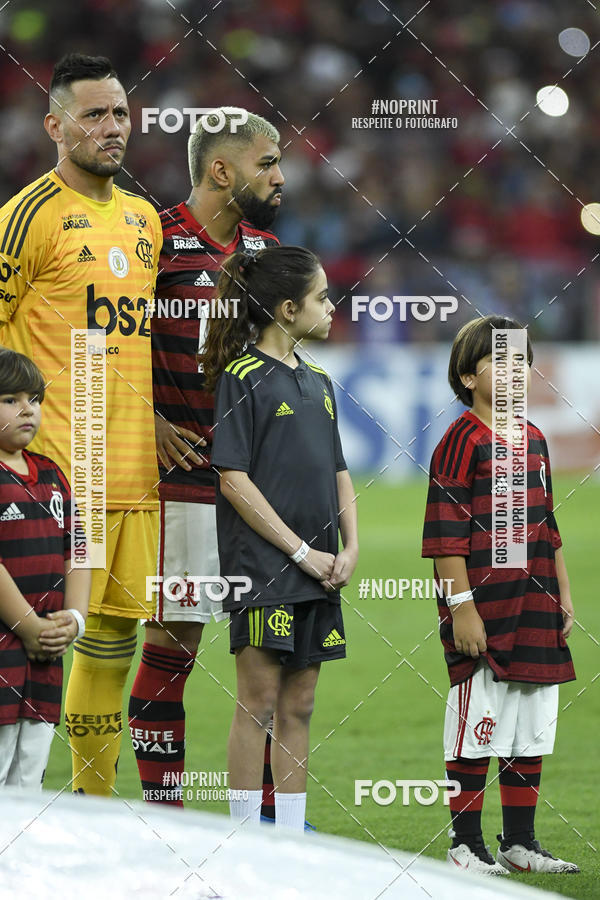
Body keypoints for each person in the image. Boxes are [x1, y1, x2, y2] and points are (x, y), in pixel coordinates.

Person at [0, 52, 162, 795]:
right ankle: (34, 814)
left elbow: (136, 339)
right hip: (66, 469)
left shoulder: (143, 219)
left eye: (119, 113)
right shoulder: (26, 215)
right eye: (94, 114)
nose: (111, 127)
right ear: (55, 126)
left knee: (116, 639)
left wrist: (155, 420)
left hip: (135, 471)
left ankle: (90, 805)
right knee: (48, 641)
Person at [128, 108, 283, 812]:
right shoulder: (152, 240)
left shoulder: (267, 253)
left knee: (270, 660)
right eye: (267, 162)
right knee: (173, 646)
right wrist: (147, 416)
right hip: (182, 486)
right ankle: (168, 819)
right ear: (221, 169)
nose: (280, 176)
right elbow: (105, 342)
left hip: (258, 488)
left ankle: (271, 825)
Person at [201, 245, 358, 830]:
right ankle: (242, 841)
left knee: (301, 704)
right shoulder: (242, 377)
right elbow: (233, 479)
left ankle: (291, 841)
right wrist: (301, 552)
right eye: (322, 297)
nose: (331, 306)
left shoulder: (319, 380)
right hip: (267, 570)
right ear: (288, 310)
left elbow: (340, 471)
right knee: (259, 703)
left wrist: (350, 548)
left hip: (321, 568)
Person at [422, 314, 579, 874]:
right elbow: (444, 536)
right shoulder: (461, 441)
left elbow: (547, 523)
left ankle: (520, 843)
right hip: (486, 612)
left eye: (521, 360)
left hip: (534, 608)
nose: (514, 372)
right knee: (477, 724)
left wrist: (561, 590)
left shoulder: (535, 439)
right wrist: (462, 609)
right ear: (468, 376)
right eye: (499, 361)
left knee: (528, 724)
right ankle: (465, 845)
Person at [0, 348, 90, 788]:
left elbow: (79, 550)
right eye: (10, 400)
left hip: (45, 658)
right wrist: (29, 626)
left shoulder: (54, 475)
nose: (26, 410)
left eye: (33, 399)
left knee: (28, 783)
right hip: (9, 649)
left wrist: (73, 619)